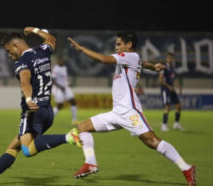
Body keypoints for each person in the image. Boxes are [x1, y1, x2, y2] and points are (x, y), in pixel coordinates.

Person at [67, 32, 196, 186]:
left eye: (119, 44)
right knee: (82, 127)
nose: (116, 47)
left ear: (129, 45)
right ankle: (90, 163)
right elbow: (142, 62)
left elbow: (103, 59)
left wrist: (81, 49)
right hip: (116, 113)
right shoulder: (133, 58)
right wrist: (153, 66)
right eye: (116, 44)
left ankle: (187, 168)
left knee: (152, 141)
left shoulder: (129, 56)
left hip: (130, 111)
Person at [0, 27, 81, 185]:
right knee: (13, 147)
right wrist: (35, 30)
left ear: (16, 46)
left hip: (33, 112)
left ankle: (68, 137)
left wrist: (29, 99)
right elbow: (51, 39)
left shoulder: (21, 62)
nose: (10, 56)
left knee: (27, 150)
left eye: (9, 51)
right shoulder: (42, 51)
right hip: (47, 111)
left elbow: (25, 81)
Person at [159, 52, 184, 131]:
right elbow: (160, 80)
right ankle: (164, 125)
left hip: (172, 89)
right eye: (169, 58)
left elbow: (174, 79)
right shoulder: (163, 67)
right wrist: (168, 86)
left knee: (178, 106)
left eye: (172, 58)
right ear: (166, 58)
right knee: (168, 107)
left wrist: (179, 87)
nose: (170, 59)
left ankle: (176, 123)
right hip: (165, 90)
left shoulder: (172, 68)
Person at [52, 55, 78, 124]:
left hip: (65, 87)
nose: (62, 61)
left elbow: (64, 78)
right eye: (60, 60)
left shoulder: (64, 67)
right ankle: (49, 117)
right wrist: (60, 87)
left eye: (62, 60)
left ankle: (74, 120)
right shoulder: (56, 69)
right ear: (57, 61)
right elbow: (53, 80)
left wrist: (68, 83)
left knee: (73, 102)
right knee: (59, 106)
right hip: (59, 89)